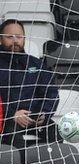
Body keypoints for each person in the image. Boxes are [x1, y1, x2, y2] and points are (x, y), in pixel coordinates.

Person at [0, 19, 60, 149]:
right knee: (15, 142)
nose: (15, 40)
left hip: (35, 118)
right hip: (7, 121)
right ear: (0, 39)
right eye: (10, 37)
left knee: (56, 134)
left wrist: (44, 114)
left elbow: (51, 93)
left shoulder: (36, 64)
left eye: (19, 36)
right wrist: (12, 115)